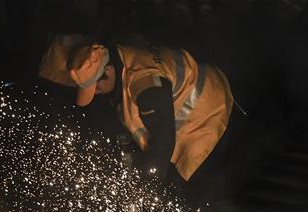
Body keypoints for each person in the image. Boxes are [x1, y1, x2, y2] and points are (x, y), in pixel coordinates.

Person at [38, 35, 233, 186]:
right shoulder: (120, 60)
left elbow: (163, 140)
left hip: (210, 109)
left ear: (108, 70)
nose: (96, 93)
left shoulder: (145, 84)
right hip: (185, 105)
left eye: (96, 87)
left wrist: (146, 187)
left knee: (187, 190)